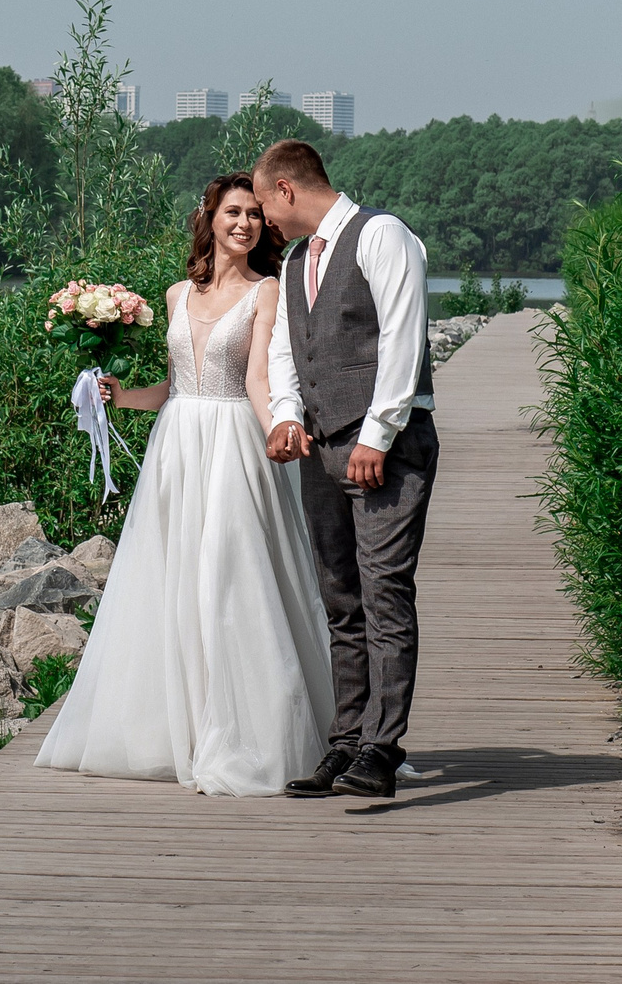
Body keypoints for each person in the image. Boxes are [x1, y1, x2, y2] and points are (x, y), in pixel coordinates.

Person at [33, 173, 336, 796]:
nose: (244, 224)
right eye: (233, 212)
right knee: (172, 578)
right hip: (177, 443)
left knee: (231, 579)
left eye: (254, 214)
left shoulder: (267, 292)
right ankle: (174, 729)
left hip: (233, 446)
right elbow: (173, 388)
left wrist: (281, 430)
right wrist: (119, 398)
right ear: (210, 217)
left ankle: (247, 731)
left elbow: (257, 377)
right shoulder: (176, 295)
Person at [253, 137, 437, 800]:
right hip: (321, 447)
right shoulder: (297, 259)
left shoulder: (381, 235)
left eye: (265, 203)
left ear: (286, 188)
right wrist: (286, 415)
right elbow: (284, 348)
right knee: (341, 599)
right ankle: (347, 742)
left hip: (385, 444)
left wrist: (379, 433)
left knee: (385, 591)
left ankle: (382, 750)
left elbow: (402, 336)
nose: (266, 222)